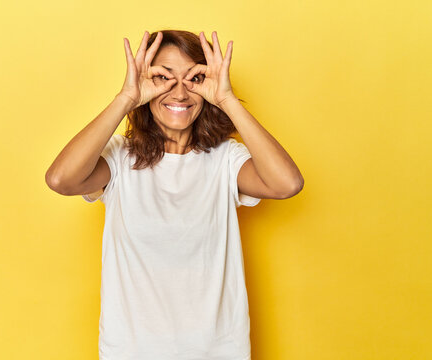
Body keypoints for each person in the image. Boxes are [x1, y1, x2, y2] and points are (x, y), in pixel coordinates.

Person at [46, 29, 304, 360]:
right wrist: (125, 98)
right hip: (132, 352)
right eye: (164, 78)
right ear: (144, 84)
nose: (179, 93)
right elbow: (60, 179)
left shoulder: (226, 159)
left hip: (217, 352)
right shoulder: (120, 158)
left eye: (193, 79)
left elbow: (288, 184)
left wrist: (226, 100)